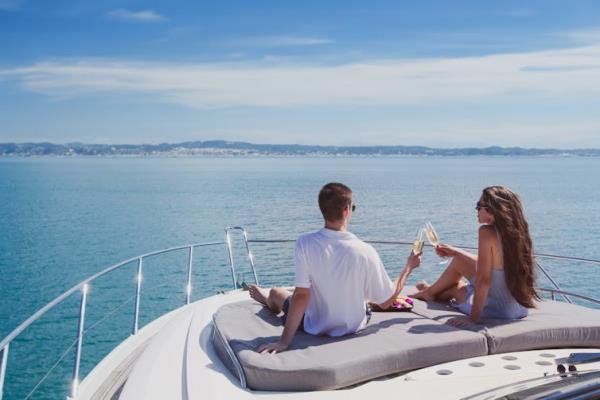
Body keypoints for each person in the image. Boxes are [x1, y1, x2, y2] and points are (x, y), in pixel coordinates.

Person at [247, 182, 421, 354]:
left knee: (277, 293)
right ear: (346, 210)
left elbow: (301, 296)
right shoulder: (365, 251)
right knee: (361, 292)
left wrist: (284, 342)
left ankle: (266, 298)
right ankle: (267, 297)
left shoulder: (305, 243)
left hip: (314, 326)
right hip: (353, 326)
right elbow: (386, 302)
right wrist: (408, 267)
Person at [412, 186, 539, 327]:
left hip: (497, 310)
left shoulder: (486, 232)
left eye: (479, 206)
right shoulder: (518, 232)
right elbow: (495, 264)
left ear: (492, 210)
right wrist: (456, 252)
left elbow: (484, 280)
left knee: (455, 288)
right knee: (458, 260)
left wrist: (472, 319)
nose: (476, 210)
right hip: (519, 308)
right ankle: (430, 291)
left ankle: (430, 292)